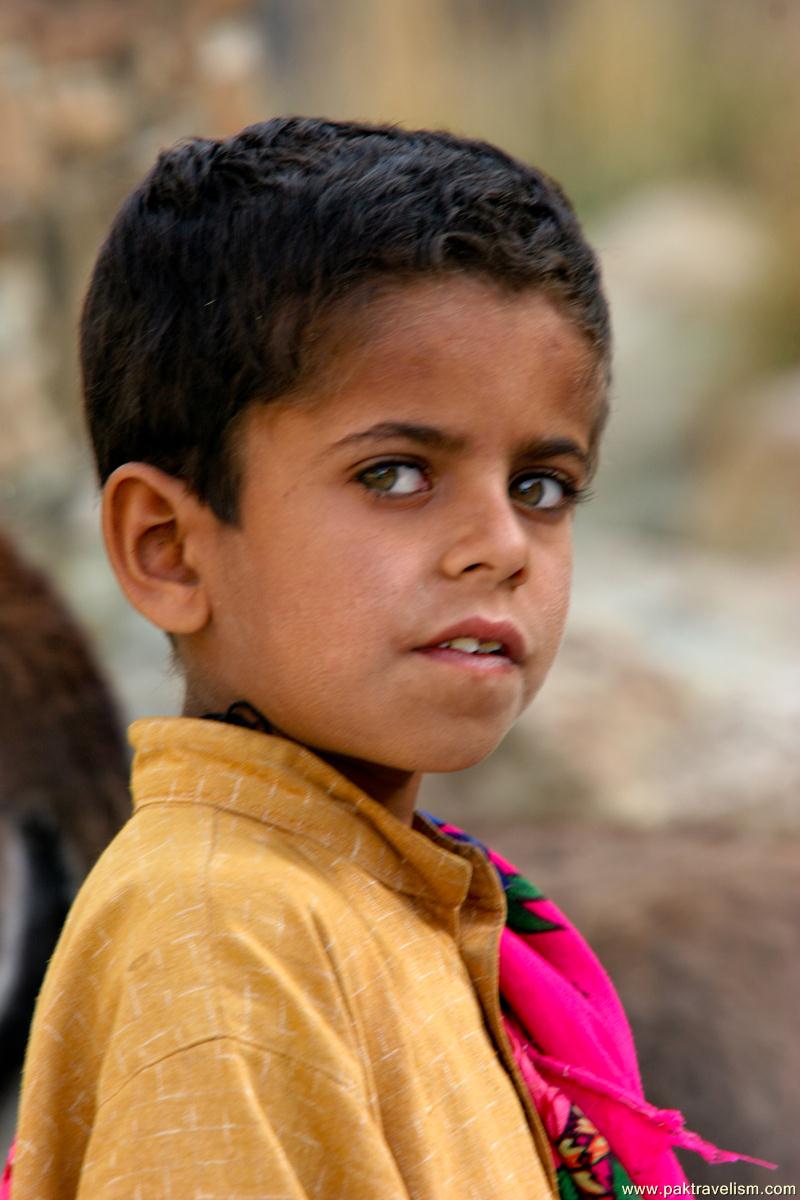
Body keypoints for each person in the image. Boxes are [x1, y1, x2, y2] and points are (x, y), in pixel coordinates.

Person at [9, 118, 765, 1199]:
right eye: (396, 475)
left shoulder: (391, 898)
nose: (500, 546)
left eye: (540, 487)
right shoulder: (220, 935)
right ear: (168, 549)